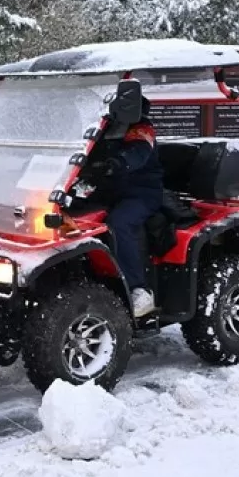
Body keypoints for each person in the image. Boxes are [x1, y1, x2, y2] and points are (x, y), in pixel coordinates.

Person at [85, 96, 164, 317]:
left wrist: (117, 163)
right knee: (75, 219)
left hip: (141, 192)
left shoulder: (141, 128)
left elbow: (137, 152)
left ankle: (138, 289)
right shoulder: (102, 126)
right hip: (108, 191)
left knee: (119, 223)